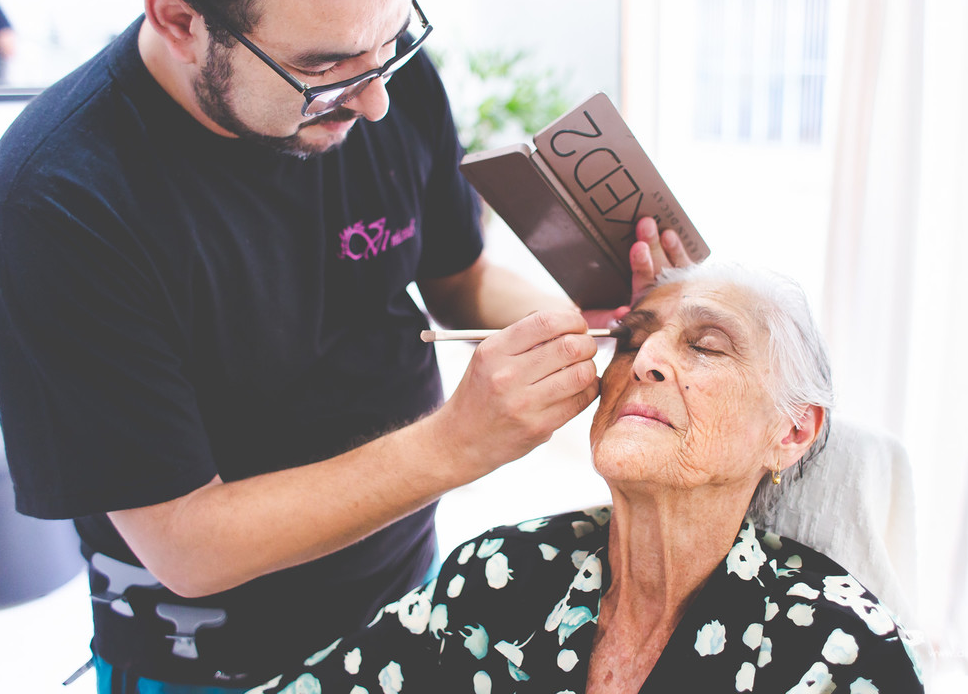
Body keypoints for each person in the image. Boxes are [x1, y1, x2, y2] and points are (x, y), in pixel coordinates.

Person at [0, 0, 690, 691]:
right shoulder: (57, 200)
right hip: (214, 660)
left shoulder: (380, 74)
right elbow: (186, 544)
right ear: (178, 20)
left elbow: (463, 280)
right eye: (321, 68)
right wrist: (457, 443)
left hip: (404, 591)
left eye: (391, 41)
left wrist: (605, 330)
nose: (374, 101)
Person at [248, 263, 925, 693]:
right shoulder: (499, 576)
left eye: (706, 346)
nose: (645, 359)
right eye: (630, 339)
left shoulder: (838, 654)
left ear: (792, 431)